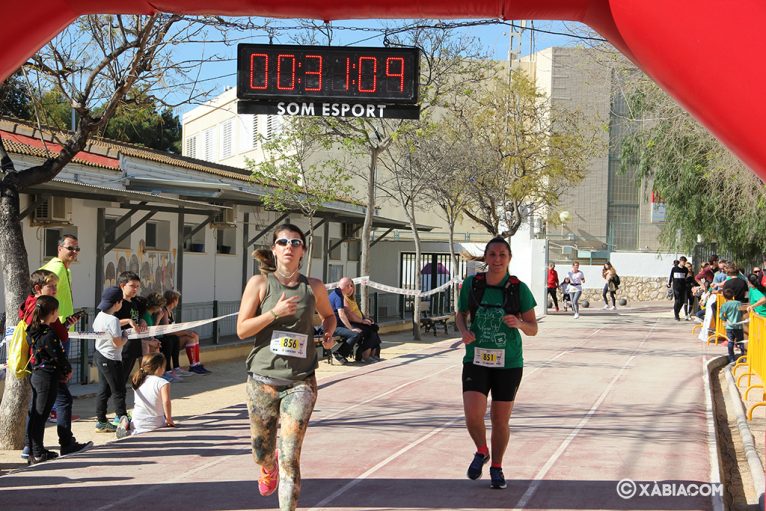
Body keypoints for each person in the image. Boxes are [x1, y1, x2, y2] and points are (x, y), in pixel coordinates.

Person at [236, 223, 336, 510]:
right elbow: (242, 329)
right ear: (274, 249)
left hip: (300, 381)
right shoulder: (259, 284)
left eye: (295, 242)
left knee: (290, 456)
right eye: (283, 242)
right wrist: (274, 313)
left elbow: (328, 316)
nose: (289, 247)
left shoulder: (313, 286)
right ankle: (269, 467)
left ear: (303, 251)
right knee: (263, 452)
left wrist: (328, 333)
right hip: (262, 380)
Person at [455, 237, 538, 490]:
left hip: (509, 363)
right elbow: (461, 314)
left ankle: (497, 467)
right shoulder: (472, 284)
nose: (497, 259)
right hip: (476, 359)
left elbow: (533, 328)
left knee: (500, 420)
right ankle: (482, 450)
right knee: (473, 415)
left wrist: (519, 324)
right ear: (486, 258)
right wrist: (463, 331)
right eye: (492, 254)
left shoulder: (518, 288)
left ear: (509, 258)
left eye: (502, 254)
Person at [19, 270, 91, 459]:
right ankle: (57, 445)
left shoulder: (33, 308)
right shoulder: (39, 308)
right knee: (48, 408)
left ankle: (32, 448)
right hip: (45, 369)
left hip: (40, 367)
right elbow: (52, 342)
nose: (55, 291)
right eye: (51, 286)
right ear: (38, 288)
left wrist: (63, 325)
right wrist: (65, 368)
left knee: (39, 408)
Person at [38, 234, 81, 446]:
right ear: (59, 249)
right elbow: (41, 295)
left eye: (76, 249)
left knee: (58, 384)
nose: (74, 252)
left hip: (61, 327)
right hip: (54, 332)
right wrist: (53, 323)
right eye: (70, 248)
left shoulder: (66, 269)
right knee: (59, 383)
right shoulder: (54, 268)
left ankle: (34, 445)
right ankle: (61, 437)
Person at [26, 295, 72, 464]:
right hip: (47, 376)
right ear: (53, 312)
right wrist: (67, 369)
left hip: (37, 374)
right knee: (40, 415)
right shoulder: (48, 332)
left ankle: (35, 450)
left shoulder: (33, 330)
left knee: (38, 415)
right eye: (57, 311)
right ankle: (37, 452)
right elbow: (57, 355)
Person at [92, 286, 130, 437]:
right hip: (111, 358)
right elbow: (118, 343)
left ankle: (101, 421)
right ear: (118, 303)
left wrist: (125, 323)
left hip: (100, 355)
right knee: (119, 390)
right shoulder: (113, 320)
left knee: (104, 389)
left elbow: (110, 327)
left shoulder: (100, 316)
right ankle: (122, 420)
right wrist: (126, 335)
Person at [159, 290, 210, 375]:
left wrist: (185, 330)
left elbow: (173, 328)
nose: (178, 301)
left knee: (194, 336)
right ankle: (193, 366)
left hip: (173, 339)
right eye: (177, 299)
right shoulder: (164, 312)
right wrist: (185, 333)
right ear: (173, 300)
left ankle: (196, 364)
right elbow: (167, 332)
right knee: (190, 338)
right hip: (166, 340)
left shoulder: (170, 311)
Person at [335, 277, 381, 363]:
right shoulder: (343, 298)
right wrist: (362, 321)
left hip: (358, 321)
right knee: (369, 331)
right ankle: (365, 355)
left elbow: (357, 311)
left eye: (352, 286)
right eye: (349, 286)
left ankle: (370, 354)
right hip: (351, 323)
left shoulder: (353, 299)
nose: (351, 288)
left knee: (374, 328)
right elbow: (349, 314)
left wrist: (365, 319)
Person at [130, 353, 176, 435]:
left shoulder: (137, 380)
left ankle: (131, 429)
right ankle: (133, 430)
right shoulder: (163, 382)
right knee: (161, 421)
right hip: (154, 421)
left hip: (137, 419)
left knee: (137, 425)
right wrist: (169, 419)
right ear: (159, 368)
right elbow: (166, 402)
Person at [114, 271, 147, 384]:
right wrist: (128, 321)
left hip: (134, 346)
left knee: (124, 377)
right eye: (132, 286)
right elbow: (111, 323)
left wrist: (142, 321)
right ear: (122, 285)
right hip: (123, 347)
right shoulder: (118, 303)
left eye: (137, 286)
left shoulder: (134, 302)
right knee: (118, 380)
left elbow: (136, 318)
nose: (135, 289)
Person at [720, 288, 746, 363]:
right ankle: (743, 357)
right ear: (733, 295)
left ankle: (731, 358)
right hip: (739, 326)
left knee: (730, 342)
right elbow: (742, 312)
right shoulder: (738, 303)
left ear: (724, 296)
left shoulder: (724, 305)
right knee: (741, 341)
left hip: (729, 326)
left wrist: (725, 319)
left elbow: (721, 315)